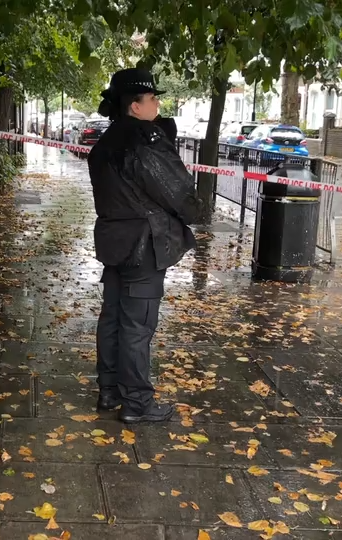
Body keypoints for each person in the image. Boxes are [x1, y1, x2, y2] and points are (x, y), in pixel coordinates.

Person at [88, 68, 202, 423]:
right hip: (145, 247)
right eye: (152, 98)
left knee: (112, 319)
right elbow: (181, 195)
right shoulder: (144, 143)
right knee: (137, 325)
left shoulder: (104, 144)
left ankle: (109, 391)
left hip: (114, 244)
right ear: (134, 106)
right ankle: (136, 403)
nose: (157, 103)